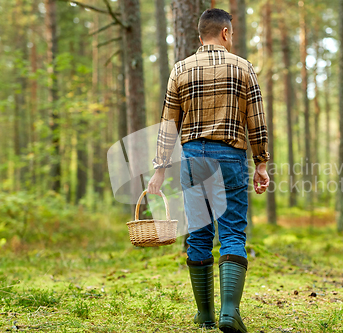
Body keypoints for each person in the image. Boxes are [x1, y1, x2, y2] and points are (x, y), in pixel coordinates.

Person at [148, 8, 270, 333]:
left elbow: (168, 124)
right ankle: (229, 313)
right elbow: (256, 120)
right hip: (229, 156)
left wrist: (159, 169)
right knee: (232, 231)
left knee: (199, 233)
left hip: (191, 158)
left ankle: (204, 316)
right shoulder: (243, 67)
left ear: (200, 35)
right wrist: (261, 162)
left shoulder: (180, 69)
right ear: (226, 33)